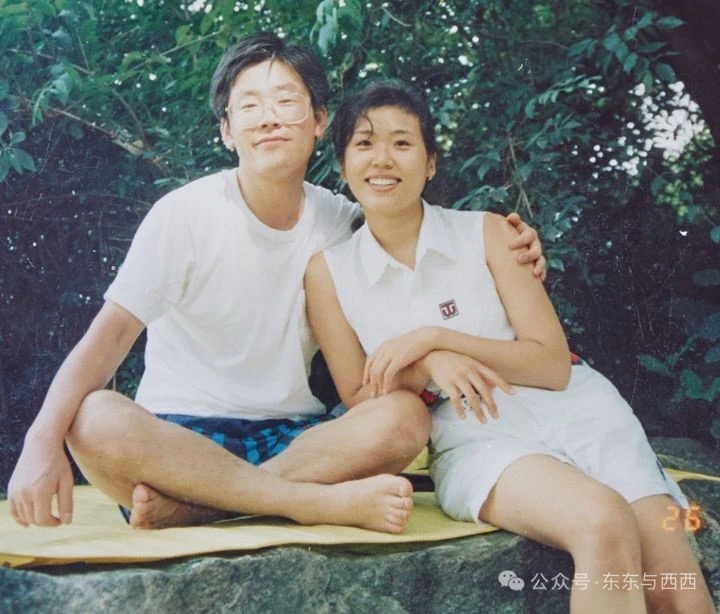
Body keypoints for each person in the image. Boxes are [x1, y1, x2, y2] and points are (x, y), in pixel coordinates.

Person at [7, 33, 544, 533]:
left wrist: (514, 245)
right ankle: (306, 502)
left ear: (318, 120)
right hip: (178, 439)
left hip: (296, 438)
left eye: (286, 102)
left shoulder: (342, 220)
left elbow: (419, 236)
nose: (269, 119)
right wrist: (41, 439)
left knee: (402, 416)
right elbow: (109, 337)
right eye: (249, 106)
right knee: (94, 417)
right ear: (226, 130)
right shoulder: (184, 214)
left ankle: (205, 507)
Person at [304, 80, 715, 612]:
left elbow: (551, 364)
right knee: (602, 520)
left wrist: (436, 337)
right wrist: (430, 364)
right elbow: (359, 395)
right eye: (364, 143)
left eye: (402, 142)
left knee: (680, 592)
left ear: (430, 163)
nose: (383, 158)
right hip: (476, 438)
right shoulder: (330, 272)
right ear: (342, 164)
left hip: (581, 413)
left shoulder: (491, 233)